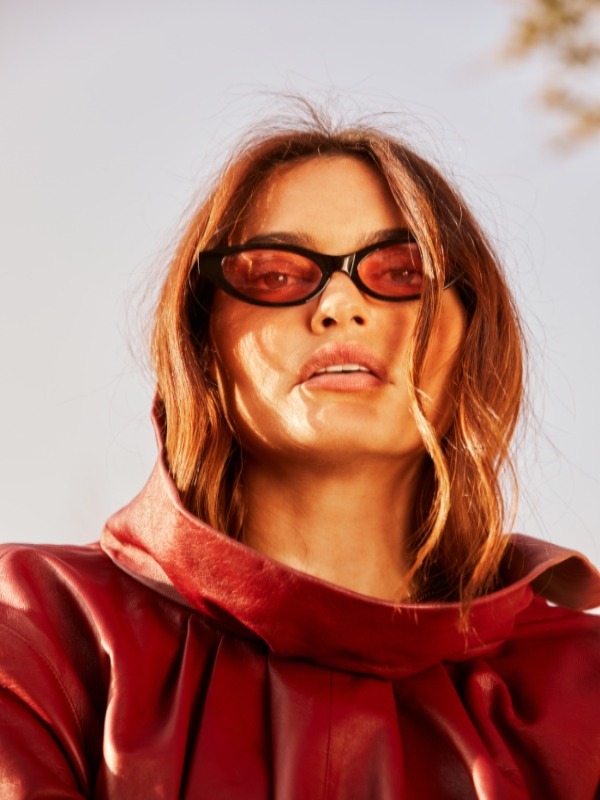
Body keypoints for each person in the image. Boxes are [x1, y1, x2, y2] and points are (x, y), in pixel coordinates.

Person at [1, 108, 599, 800]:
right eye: (276, 274)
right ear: (202, 344)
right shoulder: (35, 631)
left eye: (404, 269)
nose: (340, 304)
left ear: (474, 337)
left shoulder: (584, 686)